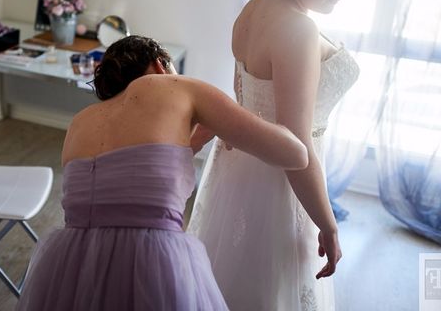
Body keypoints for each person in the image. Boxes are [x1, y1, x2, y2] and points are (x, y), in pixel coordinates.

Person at [18, 35, 309, 310]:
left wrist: (197, 138)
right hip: (151, 258)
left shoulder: (80, 122)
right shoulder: (177, 86)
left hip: (73, 264)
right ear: (160, 65)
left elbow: (134, 178)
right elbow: (295, 154)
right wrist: (255, 120)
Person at [187, 0, 365, 310]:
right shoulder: (298, 28)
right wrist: (327, 224)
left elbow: (242, 98)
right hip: (280, 183)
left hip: (238, 171)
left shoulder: (254, 8)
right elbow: (295, 144)